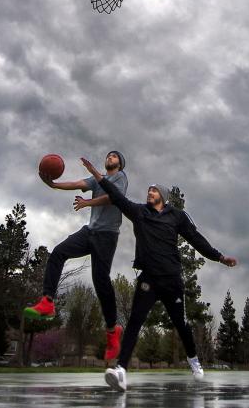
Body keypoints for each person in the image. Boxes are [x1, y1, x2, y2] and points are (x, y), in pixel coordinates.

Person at [80, 157, 237, 392]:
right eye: (148, 190)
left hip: (172, 279)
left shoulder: (177, 216)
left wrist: (219, 257)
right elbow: (117, 197)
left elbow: (196, 239)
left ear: (162, 196)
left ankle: (194, 361)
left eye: (153, 190)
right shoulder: (139, 212)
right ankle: (121, 370)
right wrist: (97, 175)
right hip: (148, 279)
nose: (149, 192)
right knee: (134, 322)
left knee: (180, 324)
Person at [25, 151, 129, 361]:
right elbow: (75, 183)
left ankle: (112, 331)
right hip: (89, 231)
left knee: (100, 281)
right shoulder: (95, 179)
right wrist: (53, 185)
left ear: (120, 163)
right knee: (58, 253)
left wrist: (87, 203)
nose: (110, 157)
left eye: (114, 156)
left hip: (107, 235)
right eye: (108, 155)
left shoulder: (120, 177)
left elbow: (113, 198)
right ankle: (47, 301)